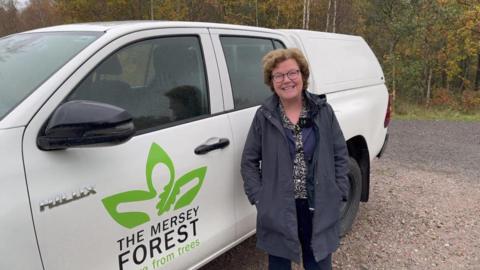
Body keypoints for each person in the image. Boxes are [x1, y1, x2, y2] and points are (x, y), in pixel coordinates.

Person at [241, 48, 349, 270]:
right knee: (279, 264)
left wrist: (339, 190)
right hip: (279, 208)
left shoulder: (323, 111)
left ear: (303, 75)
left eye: (292, 73)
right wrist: (261, 198)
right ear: (271, 82)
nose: (286, 80)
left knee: (318, 263)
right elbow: (249, 161)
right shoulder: (264, 116)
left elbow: (340, 153)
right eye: (278, 75)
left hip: (317, 204)